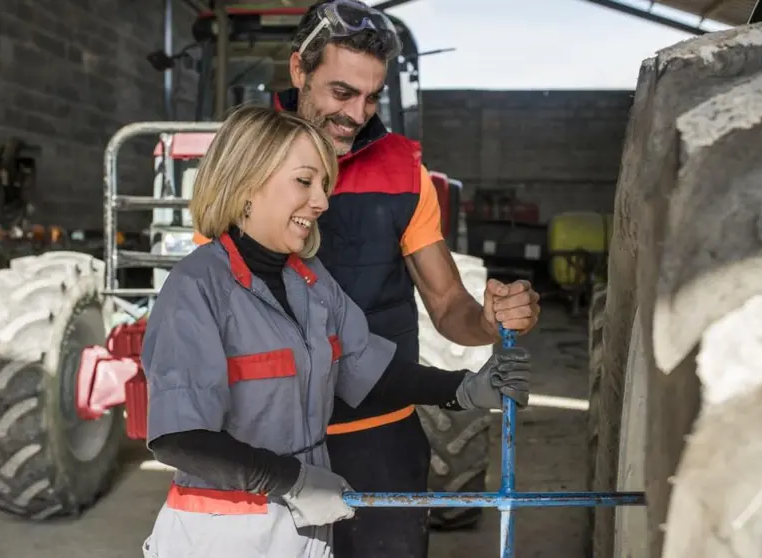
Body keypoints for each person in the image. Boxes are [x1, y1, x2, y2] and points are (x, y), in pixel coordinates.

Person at [139, 106, 532, 558]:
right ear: (247, 183)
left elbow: (371, 373)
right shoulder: (196, 287)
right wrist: (291, 480)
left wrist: (465, 389)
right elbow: (179, 438)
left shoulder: (309, 280)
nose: (322, 201)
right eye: (304, 182)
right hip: (221, 533)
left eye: (323, 185)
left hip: (304, 532)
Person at [275, 2, 543, 556]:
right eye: (341, 93)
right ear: (299, 69)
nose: (357, 113)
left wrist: (491, 320)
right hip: (271, 446)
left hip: (382, 439)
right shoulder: (244, 160)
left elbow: (448, 305)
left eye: (371, 97)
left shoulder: (403, 171)